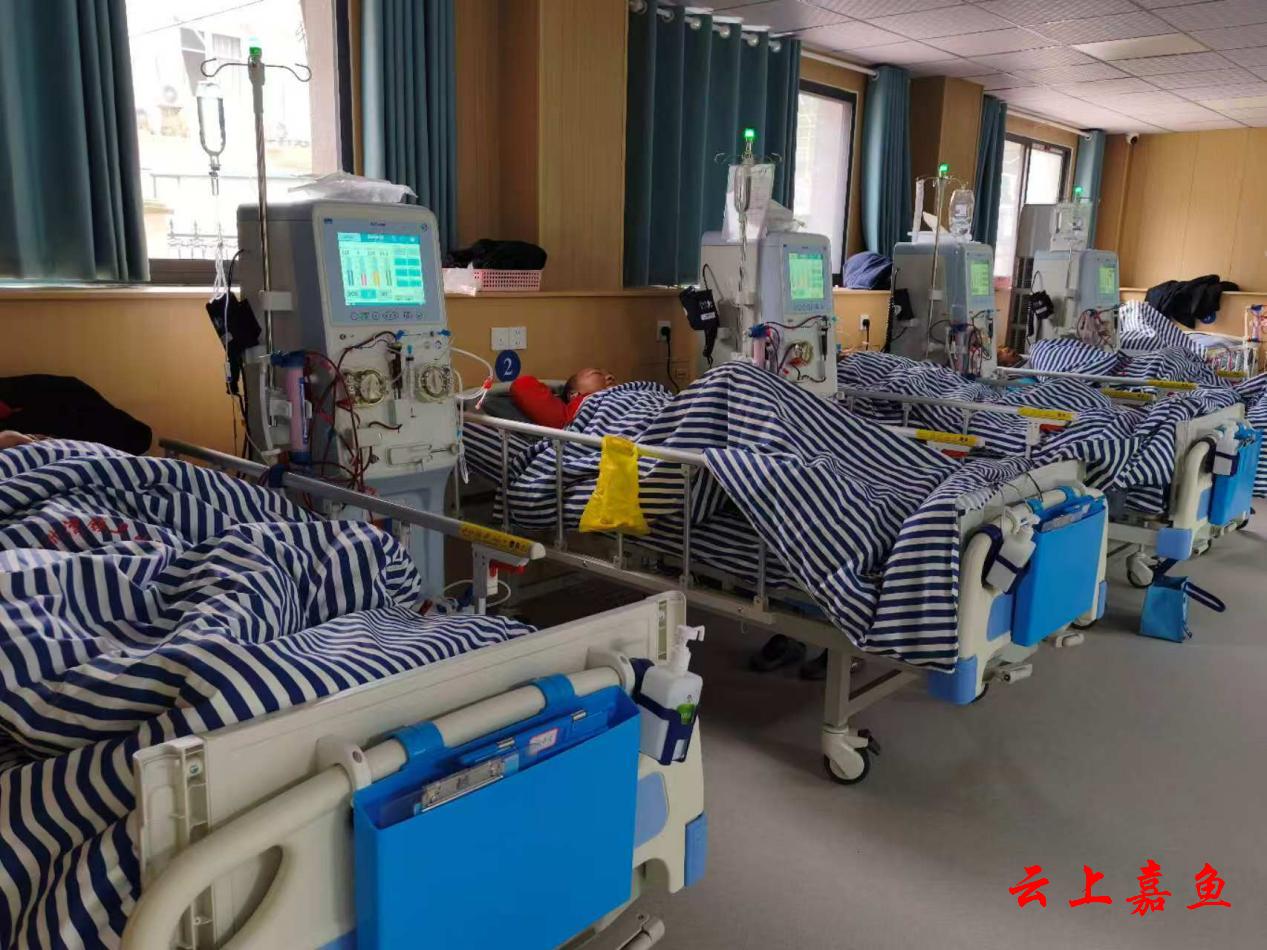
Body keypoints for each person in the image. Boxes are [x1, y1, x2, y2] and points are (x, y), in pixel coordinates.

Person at [509, 368, 617, 427]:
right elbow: (523, 385)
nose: (610, 377)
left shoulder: (623, 393)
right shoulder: (570, 413)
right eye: (596, 373)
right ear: (574, 395)